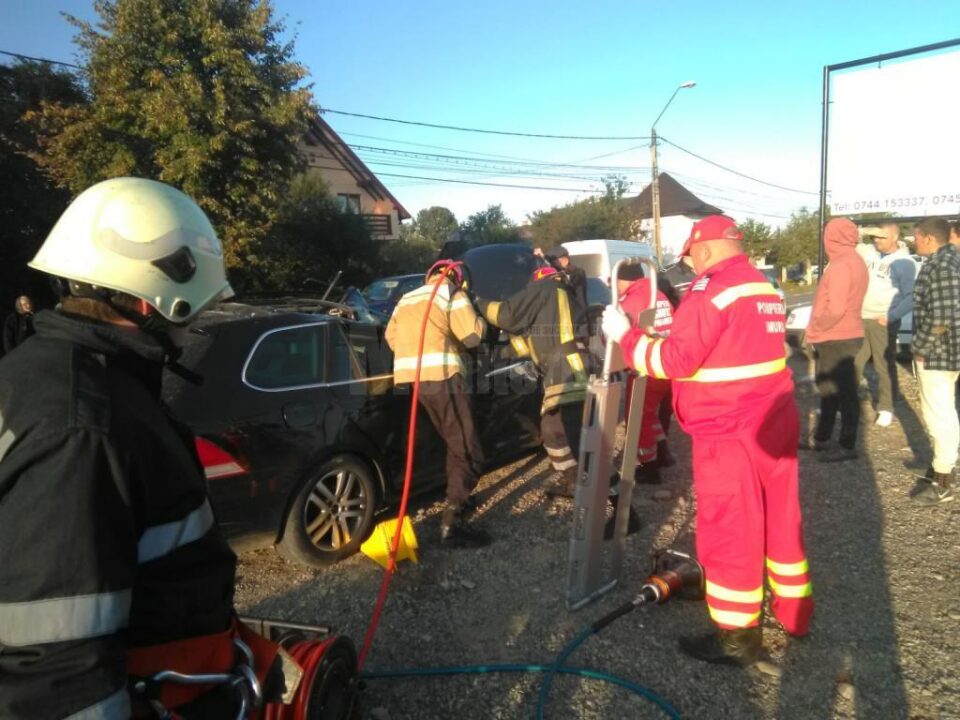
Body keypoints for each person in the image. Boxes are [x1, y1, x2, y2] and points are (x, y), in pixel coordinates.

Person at [0, 178, 288, 719]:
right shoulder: (86, 430)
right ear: (150, 298)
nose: (193, 323)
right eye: (192, 310)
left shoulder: (35, 373)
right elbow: (57, 677)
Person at [602, 215, 813, 667]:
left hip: (729, 428)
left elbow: (676, 361)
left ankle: (737, 638)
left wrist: (625, 336)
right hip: (774, 420)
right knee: (780, 517)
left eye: (692, 257)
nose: (692, 266)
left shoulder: (710, 289)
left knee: (731, 529)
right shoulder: (761, 287)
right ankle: (795, 613)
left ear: (704, 249)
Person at [385, 260, 491, 547]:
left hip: (413, 382)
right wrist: (480, 319)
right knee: (467, 448)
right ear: (456, 278)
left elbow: (391, 337)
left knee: (451, 442)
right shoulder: (452, 293)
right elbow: (472, 336)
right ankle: (452, 523)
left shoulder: (407, 297)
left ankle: (458, 496)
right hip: (443, 377)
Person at [477, 265, 590, 498]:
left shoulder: (545, 288)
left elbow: (505, 314)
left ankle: (596, 488)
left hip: (567, 371)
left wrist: (478, 302)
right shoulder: (558, 298)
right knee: (556, 429)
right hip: (569, 368)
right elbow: (525, 346)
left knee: (561, 430)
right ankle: (577, 480)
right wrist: (495, 354)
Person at [803, 218, 869, 462]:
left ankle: (846, 445)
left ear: (832, 237)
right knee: (830, 390)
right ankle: (823, 438)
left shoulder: (841, 265)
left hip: (836, 336)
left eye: (826, 234)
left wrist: (815, 328)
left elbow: (836, 309)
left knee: (843, 393)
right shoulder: (855, 260)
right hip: (845, 334)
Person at [908, 218, 960, 505]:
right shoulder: (950, 260)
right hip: (946, 351)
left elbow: (941, 317)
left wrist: (920, 346)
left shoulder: (940, 266)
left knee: (939, 414)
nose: (914, 241)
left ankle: (943, 482)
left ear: (928, 238)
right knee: (943, 411)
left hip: (938, 353)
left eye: (916, 237)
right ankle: (942, 464)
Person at [616, 263, 675, 483]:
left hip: (645, 366)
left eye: (617, 282)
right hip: (665, 363)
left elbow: (619, 336)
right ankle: (663, 454)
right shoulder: (658, 294)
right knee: (650, 414)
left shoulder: (632, 301)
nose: (616, 287)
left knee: (637, 418)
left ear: (624, 280)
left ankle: (649, 467)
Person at [854, 224, 916, 427]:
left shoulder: (904, 262)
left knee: (882, 364)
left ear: (895, 237)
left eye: (882, 237)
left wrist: (891, 316)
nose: (877, 240)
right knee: (855, 361)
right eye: (875, 236)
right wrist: (867, 231)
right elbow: (852, 240)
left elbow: (911, 296)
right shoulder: (868, 251)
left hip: (883, 319)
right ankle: (848, 402)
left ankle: (886, 407)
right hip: (861, 317)